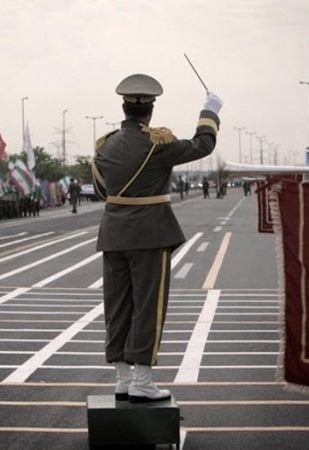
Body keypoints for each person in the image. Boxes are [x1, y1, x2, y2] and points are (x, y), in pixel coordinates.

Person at [93, 73, 222, 402]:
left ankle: (122, 378)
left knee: (117, 306)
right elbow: (203, 145)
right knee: (148, 307)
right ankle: (143, 381)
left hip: (113, 234)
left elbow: (101, 190)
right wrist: (210, 111)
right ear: (149, 111)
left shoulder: (104, 146)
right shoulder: (157, 144)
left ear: (125, 108)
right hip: (149, 233)